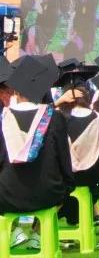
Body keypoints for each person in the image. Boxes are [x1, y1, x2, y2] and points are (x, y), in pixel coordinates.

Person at [0, 57, 73, 223]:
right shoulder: (54, 118)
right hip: (48, 194)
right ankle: (37, 230)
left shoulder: (3, 119)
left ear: (15, 90)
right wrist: (68, 185)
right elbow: (64, 162)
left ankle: (17, 230)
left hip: (6, 196)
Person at [55, 64, 99, 228]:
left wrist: (57, 103)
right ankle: (93, 208)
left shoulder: (57, 118)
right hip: (90, 178)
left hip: (63, 182)